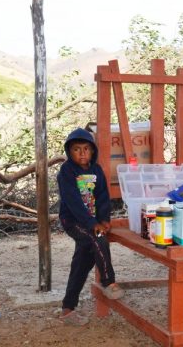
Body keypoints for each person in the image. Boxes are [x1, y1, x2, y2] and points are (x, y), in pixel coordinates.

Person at [56, 128, 124, 326]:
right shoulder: (67, 172)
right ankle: (108, 282)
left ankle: (67, 309)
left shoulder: (97, 171)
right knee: (98, 239)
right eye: (77, 149)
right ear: (70, 152)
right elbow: (73, 202)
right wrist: (93, 224)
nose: (82, 153)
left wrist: (104, 219)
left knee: (82, 262)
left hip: (93, 222)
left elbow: (103, 197)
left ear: (93, 151)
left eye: (86, 148)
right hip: (74, 221)